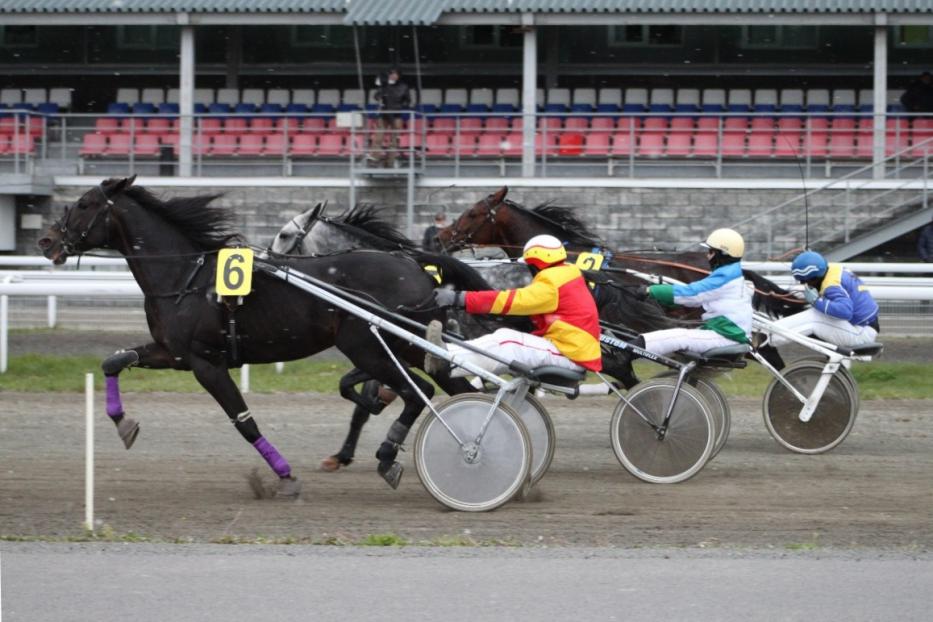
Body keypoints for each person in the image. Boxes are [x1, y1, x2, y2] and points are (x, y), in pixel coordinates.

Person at [424, 234, 602, 377]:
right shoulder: (566, 273)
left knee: (507, 341)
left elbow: (510, 301)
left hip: (570, 354)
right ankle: (447, 353)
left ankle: (448, 358)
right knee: (505, 338)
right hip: (570, 348)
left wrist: (459, 298)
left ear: (536, 264)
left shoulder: (553, 282)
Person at [628, 228, 752, 357]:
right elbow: (694, 299)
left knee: (673, 337)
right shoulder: (731, 273)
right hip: (726, 332)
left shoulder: (725, 276)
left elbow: (692, 294)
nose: (707, 255)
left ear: (723, 254)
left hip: (727, 336)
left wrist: (651, 290)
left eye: (710, 251)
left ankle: (624, 354)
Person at [763, 250, 879, 348]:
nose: (805, 284)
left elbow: (845, 311)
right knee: (816, 312)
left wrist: (816, 301)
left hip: (861, 333)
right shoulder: (832, 269)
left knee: (814, 316)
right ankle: (770, 333)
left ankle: (768, 337)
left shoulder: (831, 285)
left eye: (806, 281)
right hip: (863, 326)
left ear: (815, 278)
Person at [371, 67, 411, 167]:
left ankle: (390, 161)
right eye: (391, 74)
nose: (393, 76)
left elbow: (408, 100)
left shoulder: (404, 86)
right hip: (384, 114)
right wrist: (381, 94)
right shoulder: (384, 85)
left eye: (395, 74)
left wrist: (400, 105)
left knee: (394, 139)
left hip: (396, 114)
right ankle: (374, 157)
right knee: (378, 137)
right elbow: (376, 96)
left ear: (398, 76)